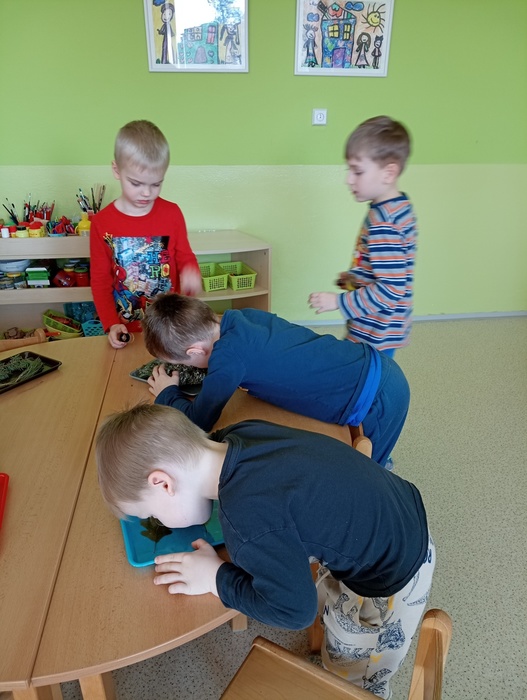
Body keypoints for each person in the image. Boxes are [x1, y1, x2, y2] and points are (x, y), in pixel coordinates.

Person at [95, 403, 435, 700]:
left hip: (389, 578)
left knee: (356, 681)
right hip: (398, 510)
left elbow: (294, 611)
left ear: (163, 483)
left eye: (151, 514)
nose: (157, 521)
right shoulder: (238, 434)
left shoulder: (246, 524)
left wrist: (215, 578)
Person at [141, 293, 409, 468]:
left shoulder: (228, 358)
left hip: (376, 398)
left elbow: (199, 421)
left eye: (186, 363)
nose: (188, 367)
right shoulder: (242, 317)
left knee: (369, 472)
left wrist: (168, 393)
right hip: (374, 367)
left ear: (196, 351)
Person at [308, 116, 418, 359]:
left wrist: (338, 302)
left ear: (388, 173)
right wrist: (356, 278)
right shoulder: (397, 207)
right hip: (382, 324)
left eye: (357, 171)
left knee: (365, 375)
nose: (349, 179)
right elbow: (388, 266)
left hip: (375, 330)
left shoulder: (384, 223)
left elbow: (390, 288)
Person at [90, 119, 202, 349]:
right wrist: (111, 323)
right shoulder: (101, 223)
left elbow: (185, 256)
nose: (146, 193)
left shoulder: (172, 213)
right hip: (126, 329)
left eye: (156, 184)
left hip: (170, 327)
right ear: (116, 170)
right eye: (136, 183)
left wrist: (191, 271)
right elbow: (100, 280)